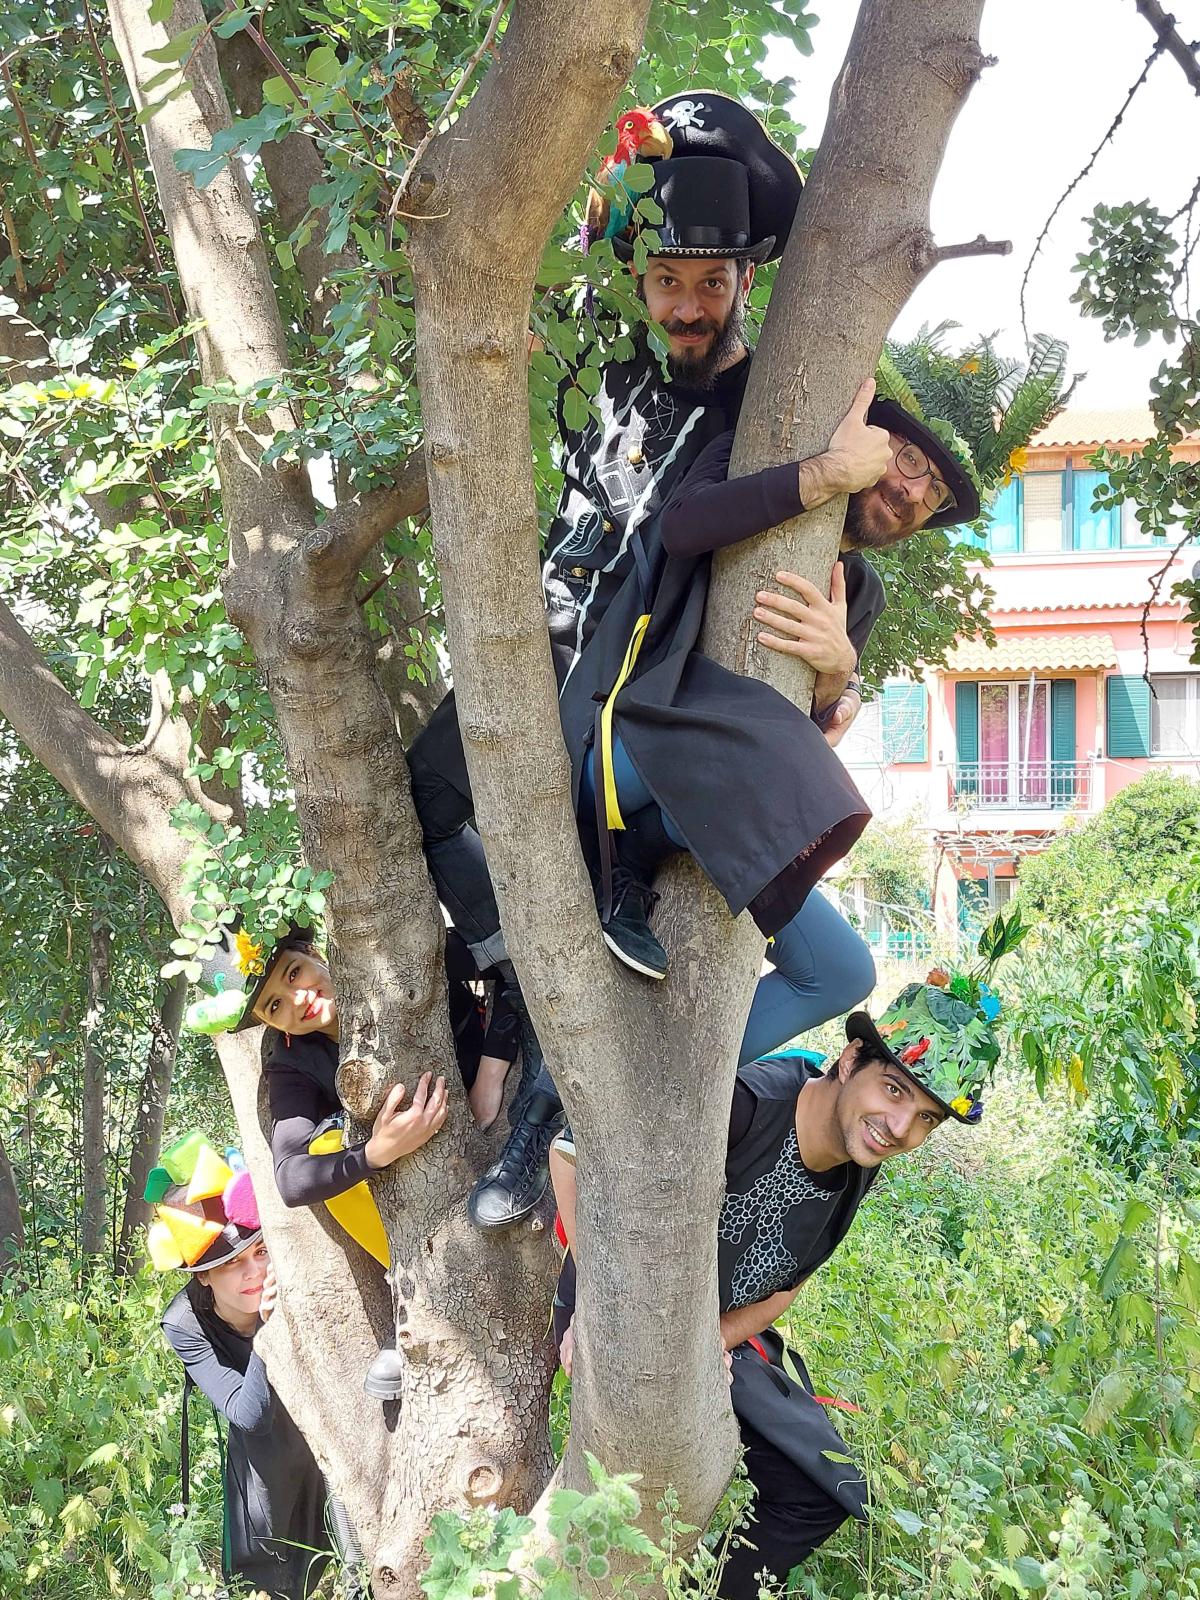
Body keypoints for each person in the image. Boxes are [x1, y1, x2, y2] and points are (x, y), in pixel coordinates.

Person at [473, 385, 986, 1226]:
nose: (910, 492)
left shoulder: (862, 596)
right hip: (622, 738)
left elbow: (807, 734)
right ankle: (541, 1111)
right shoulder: (748, 451)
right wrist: (825, 473)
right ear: (868, 434)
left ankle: (606, 1087)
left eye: (929, 495)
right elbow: (681, 529)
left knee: (843, 971)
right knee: (771, 782)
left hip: (708, 813)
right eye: (908, 461)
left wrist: (833, 676)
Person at [550, 910, 1023, 1598]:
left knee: (824, 1483)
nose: (900, 1128)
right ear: (852, 1059)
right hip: (615, 1303)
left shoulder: (859, 1163)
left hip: (718, 1332)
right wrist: (604, 1305)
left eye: (925, 1118)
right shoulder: (742, 1105)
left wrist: (712, 1339)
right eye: (894, 1091)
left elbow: (788, 1281)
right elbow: (570, 1151)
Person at [183, 919, 477, 1397]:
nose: (296, 1000)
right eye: (274, 1004)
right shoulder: (289, 1056)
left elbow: (507, 969)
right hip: (422, 1183)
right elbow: (293, 1178)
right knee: (325, 1154)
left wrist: (492, 1073)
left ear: (316, 951)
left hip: (498, 1114)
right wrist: (376, 1153)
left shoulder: (392, 956)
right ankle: (416, 1295)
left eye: (294, 973)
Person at [150, 1138, 332, 1600]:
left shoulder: (295, 1274)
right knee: (266, 1551)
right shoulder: (185, 1322)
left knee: (337, 1541)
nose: (253, 1272)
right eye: (232, 1263)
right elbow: (250, 1416)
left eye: (259, 1252)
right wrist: (267, 1332)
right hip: (262, 1433)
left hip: (325, 1413)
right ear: (203, 1276)